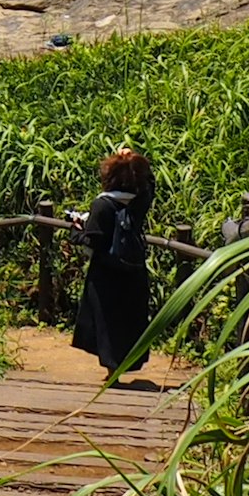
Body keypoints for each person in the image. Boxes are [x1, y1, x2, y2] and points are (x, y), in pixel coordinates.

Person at [71, 148, 158, 383]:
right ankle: (121, 367)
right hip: (133, 271)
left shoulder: (103, 206)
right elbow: (150, 183)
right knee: (128, 319)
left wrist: (76, 231)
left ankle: (112, 374)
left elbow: (93, 242)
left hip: (106, 275)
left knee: (107, 321)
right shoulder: (139, 201)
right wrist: (134, 161)